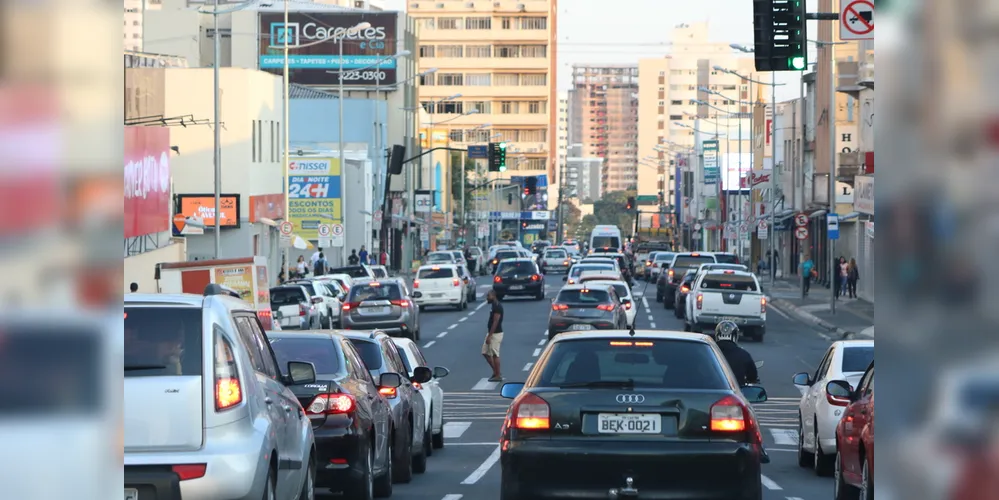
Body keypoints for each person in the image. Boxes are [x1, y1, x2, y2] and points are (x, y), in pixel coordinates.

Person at [714, 321, 758, 386]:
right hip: (736, 392)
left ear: (717, 335)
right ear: (735, 336)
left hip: (711, 390)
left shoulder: (708, 352)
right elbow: (752, 376)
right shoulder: (744, 355)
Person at [483, 290, 504, 382]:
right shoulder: (493, 305)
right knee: (485, 352)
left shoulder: (497, 306)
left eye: (488, 296)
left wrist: (490, 336)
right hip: (491, 333)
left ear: (493, 296)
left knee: (495, 354)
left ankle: (498, 375)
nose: (487, 298)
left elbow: (496, 322)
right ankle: (496, 372)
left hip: (495, 333)